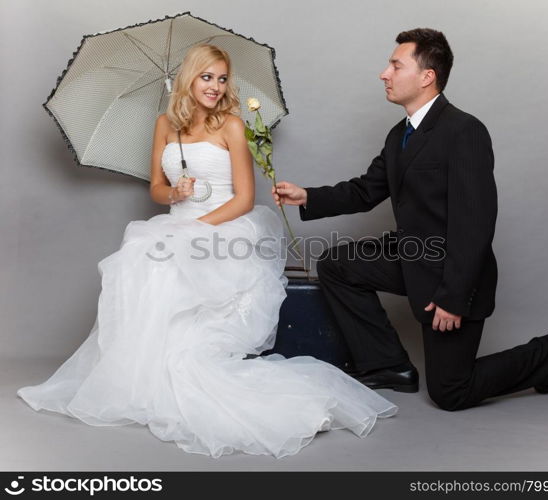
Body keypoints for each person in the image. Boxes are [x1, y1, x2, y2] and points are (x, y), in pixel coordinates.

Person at [17, 44, 397, 458]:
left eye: (221, 78)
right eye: (206, 77)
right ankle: (144, 376)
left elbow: (244, 199)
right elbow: (157, 190)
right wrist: (173, 191)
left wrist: (194, 229)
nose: (215, 87)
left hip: (224, 228)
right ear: (188, 80)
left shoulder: (232, 126)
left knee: (169, 263)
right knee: (138, 263)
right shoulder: (165, 125)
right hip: (177, 224)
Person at [272, 29, 548, 411]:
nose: (384, 73)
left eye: (395, 65)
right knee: (336, 264)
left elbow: (476, 223)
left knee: (450, 391)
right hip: (413, 259)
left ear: (426, 76)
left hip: (452, 278)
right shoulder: (398, 135)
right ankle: (388, 365)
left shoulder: (464, 131)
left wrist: (453, 298)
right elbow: (367, 190)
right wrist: (308, 196)